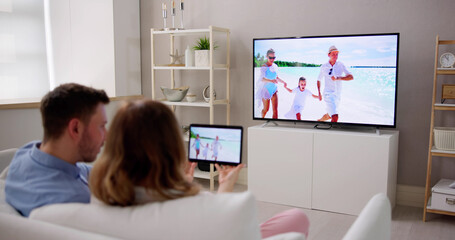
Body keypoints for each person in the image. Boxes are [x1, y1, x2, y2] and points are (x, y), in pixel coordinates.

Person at [89, 100, 309, 239]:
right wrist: (225, 188)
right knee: (297, 218)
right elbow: (222, 222)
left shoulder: (98, 199)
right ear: (172, 146)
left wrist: (183, 183)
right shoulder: (202, 206)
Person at [5, 83, 109, 217]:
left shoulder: (26, 153)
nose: (105, 136)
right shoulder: (75, 199)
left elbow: (82, 171)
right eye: (102, 126)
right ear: (75, 129)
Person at [317, 45, 354, 122]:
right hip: (328, 94)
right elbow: (318, 80)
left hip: (337, 95)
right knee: (335, 117)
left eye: (336, 54)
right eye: (333, 54)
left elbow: (351, 77)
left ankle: (319, 121)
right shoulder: (324, 66)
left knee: (330, 115)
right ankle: (330, 133)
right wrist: (319, 93)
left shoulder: (341, 65)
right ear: (328, 55)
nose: (335, 56)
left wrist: (338, 78)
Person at [256, 48, 286, 119]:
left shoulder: (275, 66)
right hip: (266, 90)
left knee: (275, 111)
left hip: (274, 89)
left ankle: (275, 128)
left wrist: (283, 82)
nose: (272, 59)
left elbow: (276, 77)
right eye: (270, 57)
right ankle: (262, 118)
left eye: (274, 57)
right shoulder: (264, 66)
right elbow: (262, 79)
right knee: (266, 109)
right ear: (267, 57)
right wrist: (271, 80)